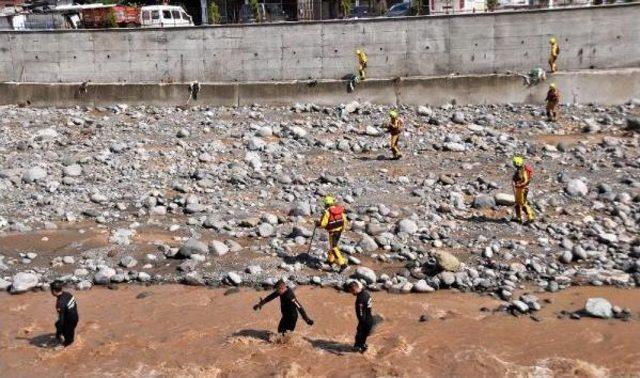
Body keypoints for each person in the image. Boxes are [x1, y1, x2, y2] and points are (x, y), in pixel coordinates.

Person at [316, 195, 348, 272]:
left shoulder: (327, 212)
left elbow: (323, 224)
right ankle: (330, 260)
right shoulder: (340, 210)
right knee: (332, 246)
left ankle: (342, 264)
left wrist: (318, 224)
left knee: (334, 247)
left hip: (332, 232)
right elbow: (344, 220)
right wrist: (343, 229)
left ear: (326, 204)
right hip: (339, 230)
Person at [50, 281, 79, 347]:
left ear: (54, 291)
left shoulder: (60, 303)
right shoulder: (67, 294)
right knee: (57, 324)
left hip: (70, 321)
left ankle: (66, 345)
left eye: (51, 290)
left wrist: (60, 330)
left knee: (68, 341)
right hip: (74, 316)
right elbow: (75, 305)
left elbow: (61, 319)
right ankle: (59, 337)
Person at [348, 281, 374, 353]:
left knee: (360, 337)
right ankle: (361, 347)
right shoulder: (365, 292)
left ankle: (360, 351)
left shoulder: (360, 299)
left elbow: (361, 314)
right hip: (369, 318)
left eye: (351, 291)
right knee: (362, 337)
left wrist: (360, 325)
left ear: (354, 289)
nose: (352, 293)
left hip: (365, 321)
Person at [511, 156, 535, 224]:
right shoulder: (518, 170)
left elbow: (525, 180)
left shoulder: (523, 170)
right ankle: (518, 218)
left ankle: (530, 217)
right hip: (519, 189)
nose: (513, 164)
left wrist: (519, 184)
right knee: (517, 204)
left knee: (523, 203)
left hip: (523, 189)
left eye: (514, 163)